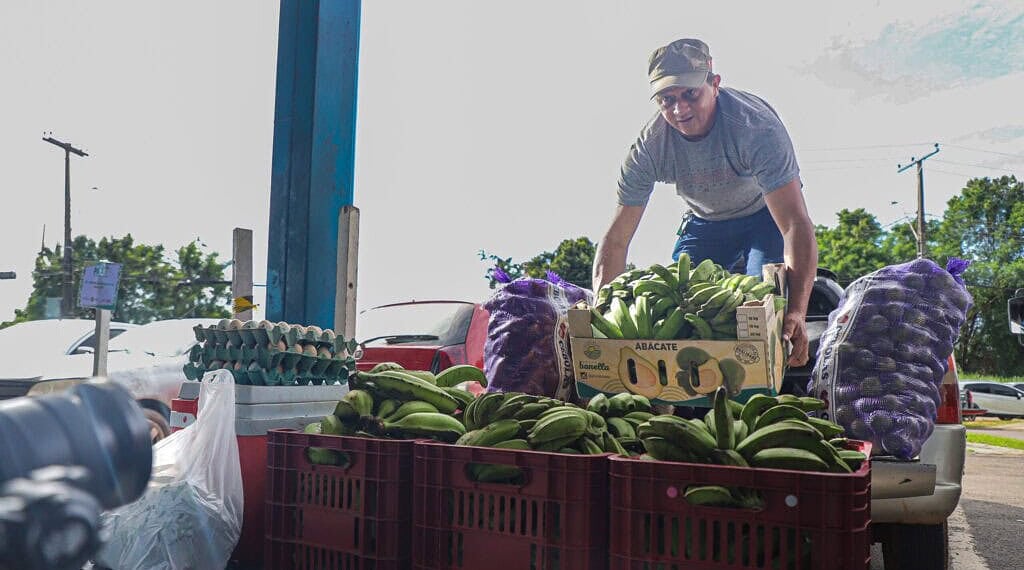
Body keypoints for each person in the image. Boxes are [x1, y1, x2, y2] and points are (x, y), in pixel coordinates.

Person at [592, 38, 817, 367]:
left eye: (690, 94)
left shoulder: (756, 129)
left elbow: (796, 223)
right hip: (705, 222)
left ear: (714, 84)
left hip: (764, 216)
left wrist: (796, 311)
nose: (679, 110)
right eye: (667, 99)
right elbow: (616, 239)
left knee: (760, 304)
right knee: (675, 305)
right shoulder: (649, 148)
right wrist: (600, 312)